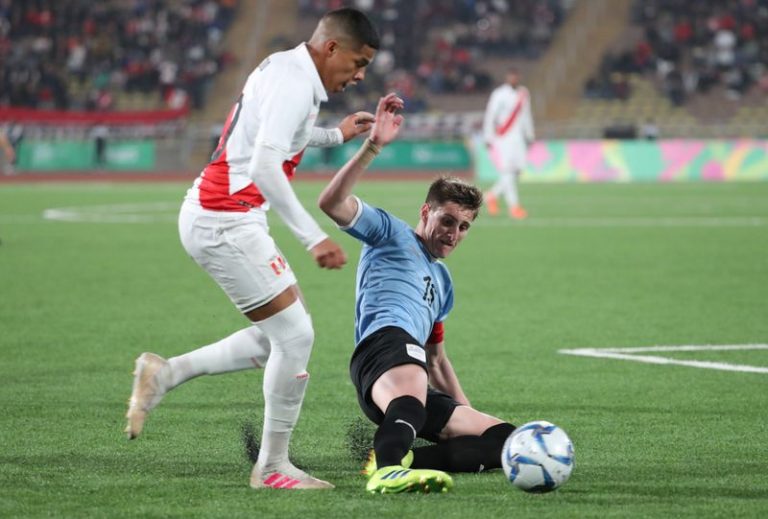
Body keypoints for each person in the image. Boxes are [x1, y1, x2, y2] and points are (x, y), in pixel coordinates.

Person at [124, 7, 380, 490]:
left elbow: (281, 139)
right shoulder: (294, 82)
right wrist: (313, 236)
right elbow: (265, 165)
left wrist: (338, 134)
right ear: (332, 48)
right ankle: (273, 467)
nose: (360, 74)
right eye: (358, 62)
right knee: (295, 337)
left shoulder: (288, 69)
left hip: (229, 214)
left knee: (278, 336)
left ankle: (165, 374)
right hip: (224, 218)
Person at [318, 93, 516, 494]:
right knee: (411, 391)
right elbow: (331, 202)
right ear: (426, 212)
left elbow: (437, 359)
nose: (453, 234)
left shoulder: (442, 283)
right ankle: (390, 470)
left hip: (414, 371)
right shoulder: (389, 232)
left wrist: (466, 411)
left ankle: (394, 458)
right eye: (447, 221)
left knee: (505, 440)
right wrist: (373, 146)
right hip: (384, 346)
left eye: (463, 227)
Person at [482, 67, 535, 219]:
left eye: (516, 76)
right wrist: (488, 136)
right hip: (503, 137)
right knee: (507, 171)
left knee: (516, 172)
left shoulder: (523, 93)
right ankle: (514, 207)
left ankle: (491, 195)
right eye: (511, 76)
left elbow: (526, 115)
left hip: (518, 138)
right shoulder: (499, 94)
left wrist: (529, 134)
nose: (514, 79)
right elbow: (491, 115)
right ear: (507, 77)